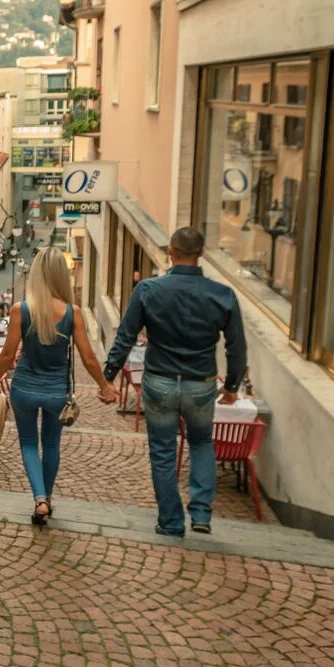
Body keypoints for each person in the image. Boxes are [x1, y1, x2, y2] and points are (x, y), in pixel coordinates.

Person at [99, 227, 247, 537]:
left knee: (164, 451)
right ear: (202, 253)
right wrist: (232, 387)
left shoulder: (148, 290)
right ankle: (202, 512)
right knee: (202, 442)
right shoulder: (223, 295)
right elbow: (236, 347)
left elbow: (125, 336)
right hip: (201, 383)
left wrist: (108, 377)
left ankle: (170, 521)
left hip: (160, 381)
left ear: (171, 252)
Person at [0, 248, 110, 527]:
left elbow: (7, 356)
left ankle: (39, 498)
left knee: (29, 443)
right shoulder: (73, 313)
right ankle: (48, 498)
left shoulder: (21, 309)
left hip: (24, 389)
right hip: (58, 392)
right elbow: (88, 358)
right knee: (52, 444)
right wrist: (104, 385)